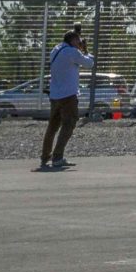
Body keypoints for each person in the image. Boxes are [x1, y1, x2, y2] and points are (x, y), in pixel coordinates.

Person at [39, 28, 91, 171]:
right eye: (78, 40)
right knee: (69, 124)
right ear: (73, 40)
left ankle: (45, 156)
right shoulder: (72, 52)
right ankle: (58, 157)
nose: (79, 42)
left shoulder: (56, 49)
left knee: (52, 127)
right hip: (68, 95)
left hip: (55, 94)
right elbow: (89, 63)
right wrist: (85, 50)